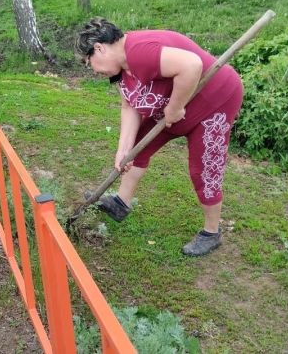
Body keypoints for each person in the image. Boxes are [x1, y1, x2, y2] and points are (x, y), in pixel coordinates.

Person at [76, 17, 244, 257]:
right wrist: (123, 149)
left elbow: (191, 65)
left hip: (214, 99)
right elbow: (130, 107)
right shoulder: (122, 68)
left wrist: (175, 108)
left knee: (204, 167)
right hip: (173, 106)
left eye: (88, 62)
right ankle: (120, 203)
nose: (92, 69)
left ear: (100, 48)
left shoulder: (139, 52)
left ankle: (212, 232)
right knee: (136, 149)